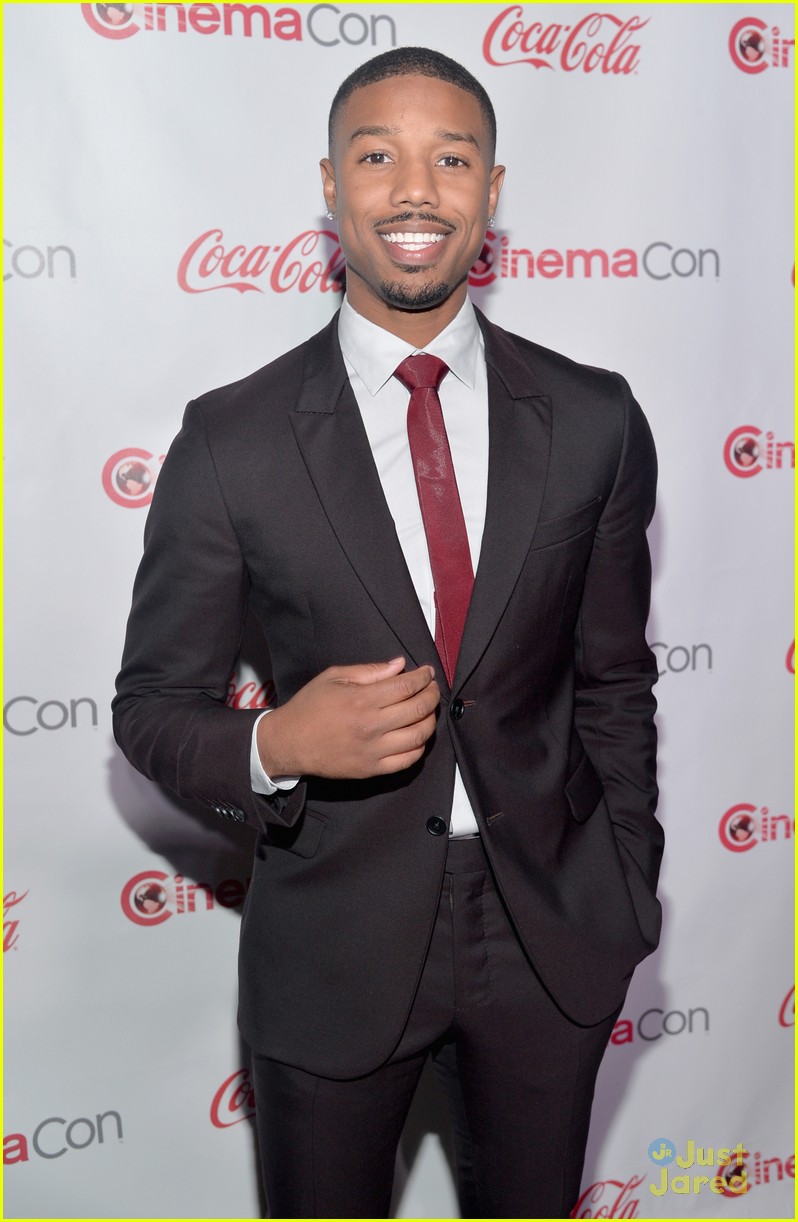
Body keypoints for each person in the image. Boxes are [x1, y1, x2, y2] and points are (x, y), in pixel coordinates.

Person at [114, 46, 663, 1219]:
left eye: (450, 158)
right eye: (379, 157)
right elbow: (151, 710)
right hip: (332, 944)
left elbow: (617, 678)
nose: (416, 188)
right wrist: (276, 745)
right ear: (330, 185)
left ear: (492, 189)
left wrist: (626, 890)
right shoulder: (231, 441)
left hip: (552, 939)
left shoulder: (595, 420)